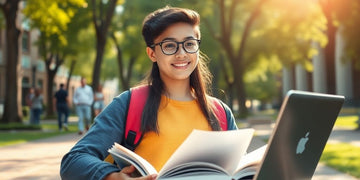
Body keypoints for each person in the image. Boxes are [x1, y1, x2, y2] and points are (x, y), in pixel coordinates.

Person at [60, 6, 238, 180]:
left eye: (189, 44)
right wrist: (113, 176)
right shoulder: (129, 103)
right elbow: (74, 161)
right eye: (169, 46)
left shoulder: (220, 112)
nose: (182, 53)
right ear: (152, 53)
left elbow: (241, 169)